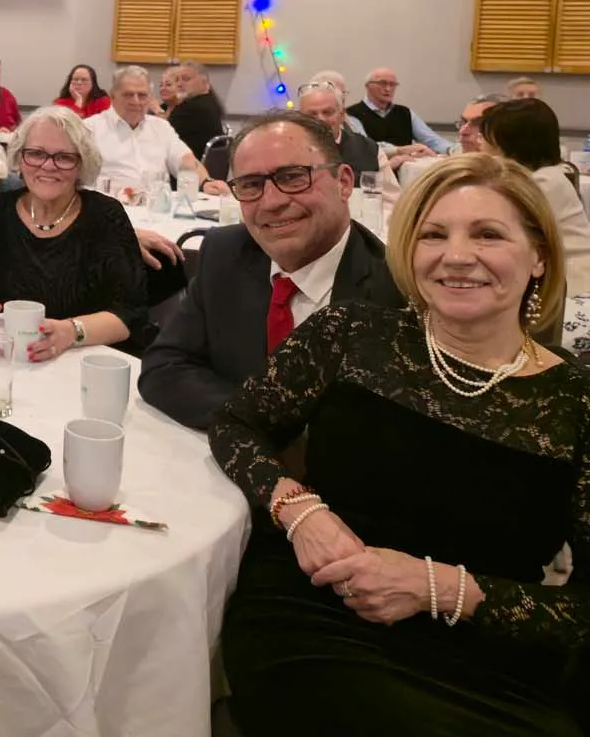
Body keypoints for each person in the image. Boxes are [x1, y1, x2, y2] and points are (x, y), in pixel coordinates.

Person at [208, 154, 589, 737]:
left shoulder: (576, 401)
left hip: (488, 648)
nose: (457, 256)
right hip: (316, 614)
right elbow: (236, 425)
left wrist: (436, 587)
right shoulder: (352, 335)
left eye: (488, 234)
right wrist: (300, 511)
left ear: (538, 255)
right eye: (434, 234)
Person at [138, 111, 400, 431]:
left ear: (344, 182)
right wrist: (259, 420)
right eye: (251, 185)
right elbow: (164, 367)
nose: (272, 202)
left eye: (293, 177)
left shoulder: (396, 285)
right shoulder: (226, 254)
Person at [0, 107, 150, 357]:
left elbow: (130, 314)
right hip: (11, 360)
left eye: (63, 157)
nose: (48, 166)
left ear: (82, 163)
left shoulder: (105, 216)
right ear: (20, 157)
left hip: (88, 362)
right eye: (36, 153)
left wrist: (70, 332)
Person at [480, 98, 590, 297]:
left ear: (512, 142)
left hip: (572, 281)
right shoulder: (545, 174)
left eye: (488, 139)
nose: (482, 144)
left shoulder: (543, 183)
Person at [84, 66, 225, 193]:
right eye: (128, 95)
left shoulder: (161, 127)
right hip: (110, 212)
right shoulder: (90, 129)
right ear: (112, 96)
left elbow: (185, 160)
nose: (136, 101)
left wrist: (206, 182)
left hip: (157, 211)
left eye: (142, 95)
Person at [296, 80, 400, 203]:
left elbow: (392, 202)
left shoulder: (370, 150)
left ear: (341, 115)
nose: (320, 120)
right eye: (311, 114)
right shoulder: (285, 152)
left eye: (327, 112)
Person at [346, 67, 450, 156]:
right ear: (367, 86)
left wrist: (454, 150)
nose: (388, 89)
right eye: (382, 83)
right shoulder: (351, 114)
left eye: (392, 84)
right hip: (373, 174)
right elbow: (365, 148)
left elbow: (433, 140)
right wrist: (403, 150)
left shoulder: (405, 113)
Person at [167, 60, 226, 161]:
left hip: (188, 170)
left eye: (186, 79)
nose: (179, 84)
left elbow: (164, 136)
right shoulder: (211, 103)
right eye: (177, 80)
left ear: (204, 82)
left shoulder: (190, 108)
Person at [313, 70, 367, 136]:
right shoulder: (310, 124)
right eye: (338, 94)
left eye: (344, 93)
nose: (343, 98)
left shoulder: (354, 122)